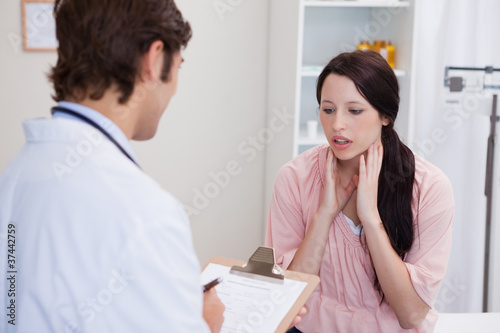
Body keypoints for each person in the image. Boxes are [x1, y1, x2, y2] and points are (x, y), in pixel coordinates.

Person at [0, 0, 227, 332]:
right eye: (178, 65)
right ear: (153, 60)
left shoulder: (15, 175)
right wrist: (203, 323)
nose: (175, 87)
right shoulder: (146, 213)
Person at [266, 50, 455, 333]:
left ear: (386, 116)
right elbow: (287, 301)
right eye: (328, 109)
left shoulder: (429, 188)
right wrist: (324, 216)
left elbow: (411, 314)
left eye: (354, 111)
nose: (337, 124)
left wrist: (370, 218)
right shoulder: (294, 178)